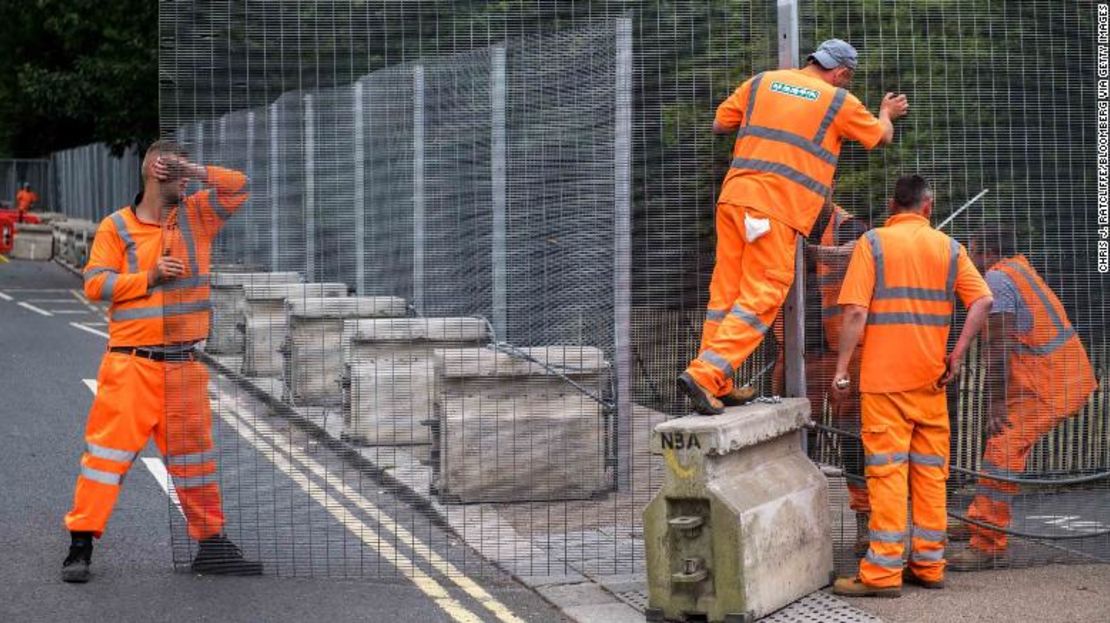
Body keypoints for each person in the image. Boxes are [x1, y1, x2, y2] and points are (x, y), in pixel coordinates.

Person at [61, 140, 262, 582]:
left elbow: (241, 186)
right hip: (131, 365)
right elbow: (95, 284)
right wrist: (149, 277)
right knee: (105, 459)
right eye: (179, 170)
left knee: (195, 462)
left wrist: (193, 168)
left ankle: (211, 545)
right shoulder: (117, 227)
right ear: (155, 169)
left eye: (189, 171)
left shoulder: (197, 217)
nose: (188, 179)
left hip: (184, 366)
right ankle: (80, 545)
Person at [678, 38, 909, 415]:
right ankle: (705, 374)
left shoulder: (761, 81)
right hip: (776, 209)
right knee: (764, 294)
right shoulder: (837, 100)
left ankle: (718, 382)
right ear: (842, 73)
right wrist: (886, 113)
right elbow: (881, 137)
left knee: (726, 295)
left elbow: (720, 123)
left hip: (735, 197)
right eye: (846, 79)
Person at [830, 175, 993, 597]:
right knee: (929, 475)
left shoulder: (874, 243)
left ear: (891, 204)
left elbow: (854, 313)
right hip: (930, 382)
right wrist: (955, 355)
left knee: (886, 475)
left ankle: (882, 575)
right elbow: (983, 301)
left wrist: (842, 370)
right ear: (928, 206)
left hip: (885, 384)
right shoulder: (951, 248)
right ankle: (928, 564)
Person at [947, 227, 1098, 570]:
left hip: (1049, 385)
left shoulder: (998, 280)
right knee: (1001, 447)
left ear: (986, 252)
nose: (970, 260)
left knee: (1002, 448)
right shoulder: (1018, 268)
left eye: (972, 253)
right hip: (1058, 377)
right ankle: (981, 520)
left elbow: (998, 349)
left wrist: (996, 404)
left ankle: (987, 543)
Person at [770, 191, 872, 551]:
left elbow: (856, 257)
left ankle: (865, 522)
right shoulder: (784, 225)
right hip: (800, 354)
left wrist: (810, 254)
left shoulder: (848, 227)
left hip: (843, 353)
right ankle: (799, 524)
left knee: (853, 438)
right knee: (794, 442)